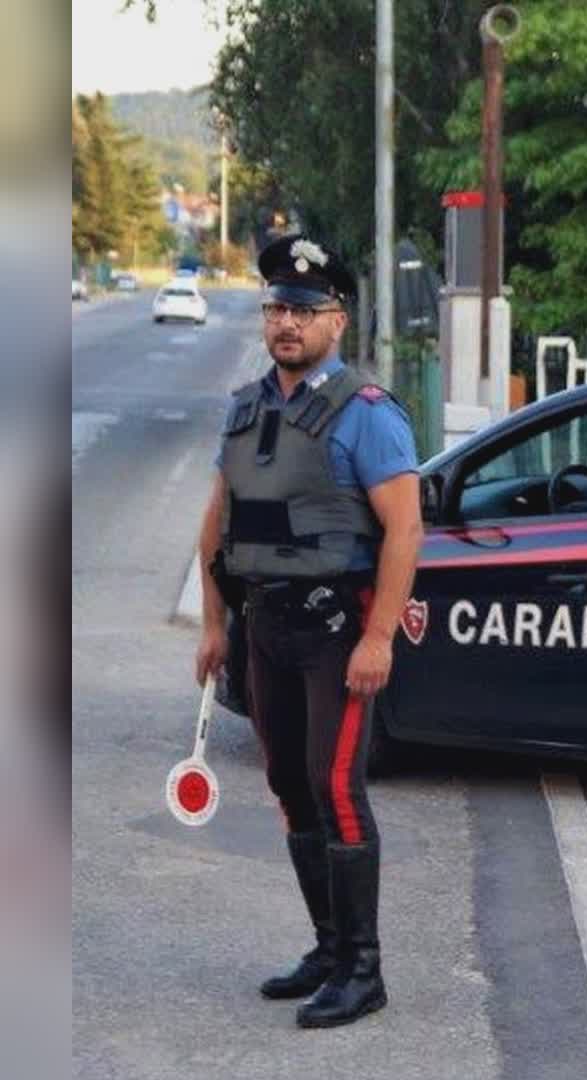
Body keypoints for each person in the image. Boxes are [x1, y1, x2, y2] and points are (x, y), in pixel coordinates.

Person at [191, 234, 423, 1026]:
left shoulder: (366, 415)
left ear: (337, 321)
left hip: (336, 628)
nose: (287, 322)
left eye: (305, 309)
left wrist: (380, 637)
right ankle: (328, 950)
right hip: (266, 629)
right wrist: (215, 623)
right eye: (277, 308)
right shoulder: (247, 407)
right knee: (289, 786)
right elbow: (216, 522)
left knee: (335, 787)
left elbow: (405, 532)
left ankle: (365, 971)